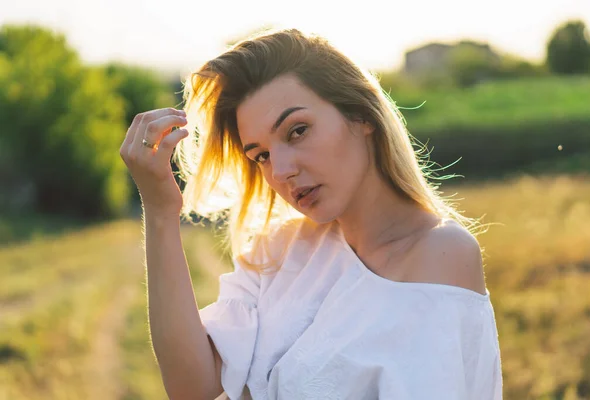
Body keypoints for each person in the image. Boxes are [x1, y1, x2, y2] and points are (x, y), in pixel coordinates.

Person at [120, 28, 503, 400]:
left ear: (361, 115)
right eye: (262, 156)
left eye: (297, 131)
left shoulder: (441, 253)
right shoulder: (280, 251)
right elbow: (192, 388)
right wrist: (159, 212)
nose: (281, 170)